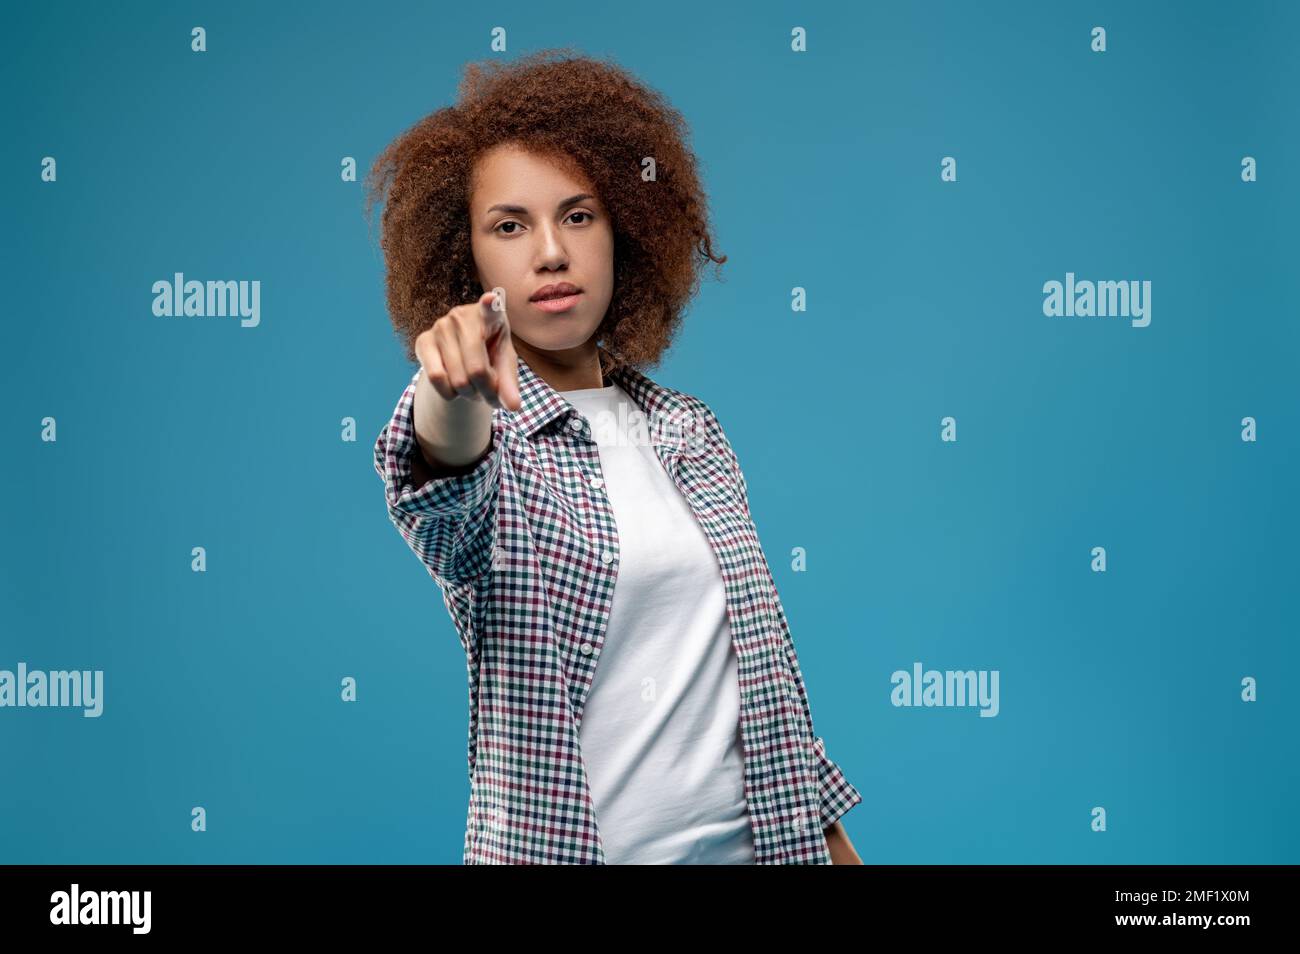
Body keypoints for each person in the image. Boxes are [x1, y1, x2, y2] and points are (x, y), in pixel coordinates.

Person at [367, 49, 863, 864]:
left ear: (626, 228)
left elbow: (756, 682)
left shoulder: (688, 432)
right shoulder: (493, 445)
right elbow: (441, 480)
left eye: (578, 215)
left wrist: (836, 844)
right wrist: (446, 387)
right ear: (467, 259)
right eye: (509, 225)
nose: (551, 253)